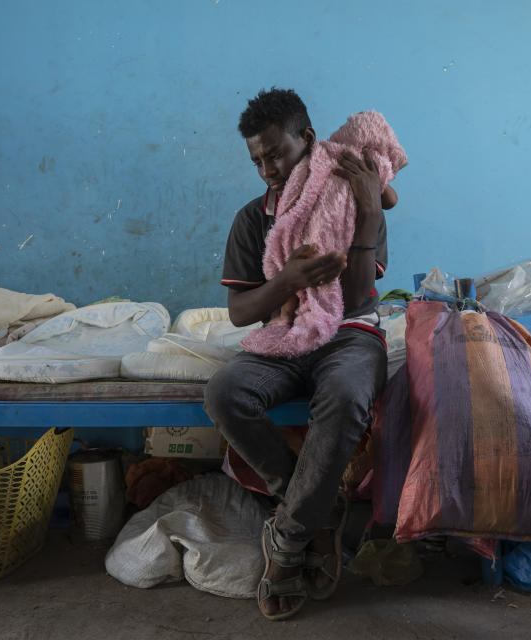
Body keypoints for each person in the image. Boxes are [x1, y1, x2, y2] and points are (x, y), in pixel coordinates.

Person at [203, 87, 393, 620]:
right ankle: (315, 507)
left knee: (347, 393)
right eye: (257, 160)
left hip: (350, 331)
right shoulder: (252, 219)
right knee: (224, 392)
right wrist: (286, 279)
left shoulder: (355, 197)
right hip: (286, 333)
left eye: (276, 154)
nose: (267, 168)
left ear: (308, 140)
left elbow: (358, 298)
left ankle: (287, 539)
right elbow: (241, 312)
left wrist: (369, 214)